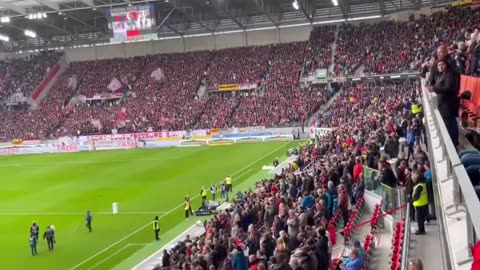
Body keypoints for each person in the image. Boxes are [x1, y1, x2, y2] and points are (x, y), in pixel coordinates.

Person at [433, 59, 459, 146]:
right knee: (447, 123)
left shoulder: (449, 74)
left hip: (448, 104)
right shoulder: (440, 75)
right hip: (443, 104)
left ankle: (454, 142)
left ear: (446, 65)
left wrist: (434, 89)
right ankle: (451, 142)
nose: (440, 67)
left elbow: (448, 88)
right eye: (439, 65)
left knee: (450, 123)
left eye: (442, 65)